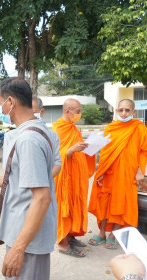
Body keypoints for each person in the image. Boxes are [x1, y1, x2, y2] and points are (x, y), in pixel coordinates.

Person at [0, 77, 57, 280]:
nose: (0, 109)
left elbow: (42, 198)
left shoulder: (28, 139)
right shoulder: (35, 131)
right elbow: (26, 177)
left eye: (0, 103)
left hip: (28, 238)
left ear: (11, 102)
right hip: (25, 231)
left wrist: (18, 248)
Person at [88, 99, 147, 249]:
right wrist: (100, 171)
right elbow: (105, 152)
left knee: (121, 203)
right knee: (104, 203)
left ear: (134, 112)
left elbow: (144, 151)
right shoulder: (110, 128)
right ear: (116, 111)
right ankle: (101, 233)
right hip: (109, 172)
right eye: (121, 110)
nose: (123, 113)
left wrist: (140, 170)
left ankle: (113, 234)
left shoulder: (139, 128)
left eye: (127, 110)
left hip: (127, 173)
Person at [52, 98, 96, 258]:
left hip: (76, 177)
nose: (79, 114)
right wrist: (70, 150)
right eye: (77, 111)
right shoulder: (57, 129)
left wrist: (87, 146)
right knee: (65, 208)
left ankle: (70, 236)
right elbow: (54, 156)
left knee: (75, 206)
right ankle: (63, 243)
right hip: (64, 179)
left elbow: (76, 148)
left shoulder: (72, 128)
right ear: (67, 111)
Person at [32, 96, 61, 177]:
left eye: (33, 112)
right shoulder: (13, 135)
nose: (30, 116)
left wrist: (43, 181)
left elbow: (57, 163)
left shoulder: (52, 135)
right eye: (26, 112)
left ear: (42, 112)